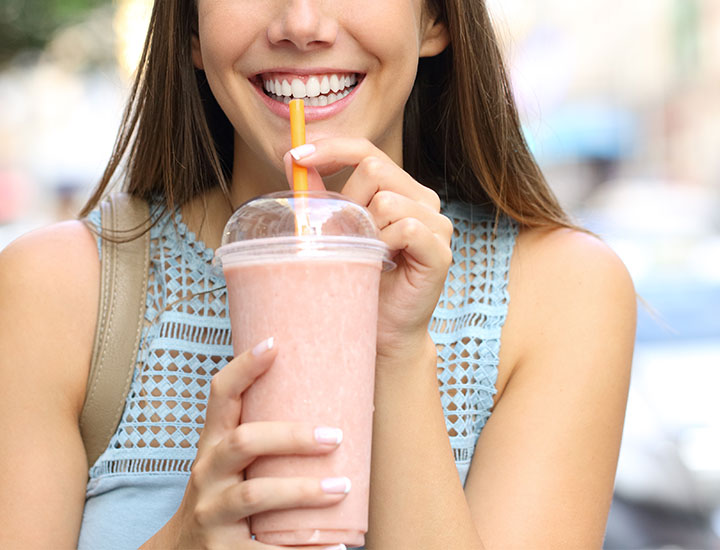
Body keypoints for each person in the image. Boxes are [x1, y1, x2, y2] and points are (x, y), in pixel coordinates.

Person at [0, 1, 637, 548]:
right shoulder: (57, 292)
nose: (301, 25)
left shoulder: (562, 293)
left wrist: (396, 349)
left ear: (435, 17)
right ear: (191, 30)